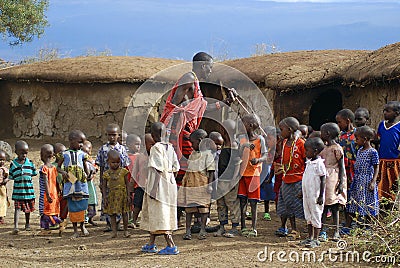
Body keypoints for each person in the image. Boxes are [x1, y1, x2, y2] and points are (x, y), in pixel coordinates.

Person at [141, 122, 180, 255]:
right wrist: (170, 180)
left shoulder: (156, 148)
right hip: (169, 183)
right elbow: (176, 168)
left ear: (153, 135)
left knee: (161, 213)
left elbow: (157, 169)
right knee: (159, 212)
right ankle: (151, 243)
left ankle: (171, 245)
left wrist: (153, 189)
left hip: (159, 185)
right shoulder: (170, 148)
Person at [178, 129, 215, 240]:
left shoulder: (208, 155)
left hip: (202, 183)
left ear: (200, 141)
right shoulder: (193, 154)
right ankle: (188, 230)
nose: (191, 145)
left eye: (192, 143)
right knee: (189, 208)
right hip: (190, 183)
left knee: (203, 208)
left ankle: (202, 229)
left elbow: (211, 170)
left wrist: (209, 185)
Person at [275, 117, 306, 240]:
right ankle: (288, 227)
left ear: (289, 130)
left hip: (298, 179)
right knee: (286, 204)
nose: (280, 132)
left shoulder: (301, 144)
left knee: (296, 205)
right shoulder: (283, 143)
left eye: (282, 129)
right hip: (286, 178)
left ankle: (297, 229)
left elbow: (306, 161)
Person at [238, 114, 267, 238]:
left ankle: (254, 228)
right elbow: (239, 155)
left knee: (253, 202)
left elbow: (265, 155)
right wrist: (243, 147)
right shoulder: (242, 139)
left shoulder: (260, 139)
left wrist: (258, 160)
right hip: (242, 173)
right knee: (242, 200)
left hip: (254, 174)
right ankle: (243, 226)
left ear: (250, 126)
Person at [96, 123, 129, 231]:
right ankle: (108, 223)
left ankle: (118, 223)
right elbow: (101, 165)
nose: (112, 137)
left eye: (114, 135)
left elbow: (125, 166)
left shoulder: (122, 149)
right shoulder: (103, 149)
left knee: (119, 200)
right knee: (108, 200)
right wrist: (101, 181)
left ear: (118, 135)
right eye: (109, 135)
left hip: (119, 180)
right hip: (108, 179)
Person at [57, 130, 90, 238]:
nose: (81, 145)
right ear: (71, 141)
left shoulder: (82, 154)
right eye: (79, 142)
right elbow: (58, 167)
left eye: (83, 143)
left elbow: (85, 166)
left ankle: (83, 226)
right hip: (70, 182)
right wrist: (64, 173)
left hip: (81, 182)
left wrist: (88, 175)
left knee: (82, 204)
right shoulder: (64, 154)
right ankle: (75, 229)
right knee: (72, 205)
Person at [347, 126, 379, 226]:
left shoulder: (372, 152)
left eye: (357, 138)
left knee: (368, 202)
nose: (355, 141)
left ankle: (369, 224)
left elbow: (376, 167)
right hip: (358, 180)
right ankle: (358, 222)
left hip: (367, 180)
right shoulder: (360, 150)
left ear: (365, 139)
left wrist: (373, 181)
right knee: (356, 200)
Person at [319, 123, 346, 241]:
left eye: (322, 132)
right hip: (324, 178)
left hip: (333, 178)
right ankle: (323, 230)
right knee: (324, 206)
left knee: (334, 206)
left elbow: (342, 167)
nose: (320, 134)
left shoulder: (337, 149)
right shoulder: (324, 148)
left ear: (327, 134)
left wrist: (341, 183)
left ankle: (336, 230)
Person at [214, 119, 241, 238]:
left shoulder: (235, 145)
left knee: (232, 203)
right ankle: (222, 226)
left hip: (230, 180)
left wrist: (234, 180)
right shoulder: (223, 143)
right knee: (221, 204)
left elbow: (237, 164)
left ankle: (235, 227)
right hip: (221, 179)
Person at [300, 137, 326, 248]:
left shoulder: (319, 164)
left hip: (315, 195)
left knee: (316, 215)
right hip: (307, 195)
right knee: (308, 215)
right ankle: (309, 237)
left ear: (315, 151)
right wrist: (302, 192)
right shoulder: (309, 162)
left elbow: (323, 179)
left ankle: (316, 239)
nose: (305, 152)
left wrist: (321, 195)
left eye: (307, 150)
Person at [9, 140, 37, 234]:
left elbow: (33, 173)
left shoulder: (30, 163)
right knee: (17, 209)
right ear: (16, 152)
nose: (24, 155)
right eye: (22, 153)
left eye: (26, 153)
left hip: (28, 191)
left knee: (27, 209)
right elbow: (11, 176)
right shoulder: (13, 164)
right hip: (18, 192)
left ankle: (27, 224)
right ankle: (16, 226)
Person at [102, 150, 131, 238]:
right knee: (112, 214)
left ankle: (126, 230)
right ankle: (114, 232)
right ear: (108, 162)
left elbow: (127, 183)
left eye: (118, 162)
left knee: (125, 213)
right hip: (112, 195)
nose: (115, 164)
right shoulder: (106, 174)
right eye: (113, 162)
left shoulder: (124, 171)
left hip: (122, 194)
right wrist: (104, 197)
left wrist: (129, 195)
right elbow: (103, 186)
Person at [129, 133, 155, 228]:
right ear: (144, 145)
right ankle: (134, 220)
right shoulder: (140, 157)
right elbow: (134, 172)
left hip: (152, 186)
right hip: (141, 185)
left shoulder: (155, 156)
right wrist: (131, 188)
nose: (153, 146)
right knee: (137, 205)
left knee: (151, 205)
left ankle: (150, 222)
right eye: (151, 144)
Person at [376, 101, 400, 204]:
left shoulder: (399, 126)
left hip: (394, 161)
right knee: (382, 183)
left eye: (388, 111)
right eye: (384, 111)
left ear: (396, 113)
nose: (385, 113)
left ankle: (393, 205)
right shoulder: (382, 125)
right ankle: (383, 204)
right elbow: (378, 140)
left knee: (393, 184)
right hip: (382, 160)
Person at [38, 144, 61, 235]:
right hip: (54, 193)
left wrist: (47, 194)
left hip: (46, 194)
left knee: (44, 213)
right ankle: (47, 229)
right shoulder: (53, 168)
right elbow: (56, 181)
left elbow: (46, 181)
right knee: (51, 211)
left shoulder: (44, 168)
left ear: (42, 155)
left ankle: (59, 222)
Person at [260, 126, 279, 221]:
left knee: (271, 190)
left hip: (272, 173)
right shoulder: (265, 148)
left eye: (270, 139)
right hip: (263, 172)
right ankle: (265, 211)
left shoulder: (277, 150)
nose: (268, 141)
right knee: (262, 192)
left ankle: (274, 211)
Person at [126, 134, 142, 227]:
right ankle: (129, 219)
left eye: (139, 144)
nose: (138, 147)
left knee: (136, 202)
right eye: (136, 144)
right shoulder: (126, 157)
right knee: (129, 201)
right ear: (128, 144)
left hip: (138, 183)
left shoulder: (140, 156)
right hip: (129, 182)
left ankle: (134, 219)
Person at [82, 140, 98, 226]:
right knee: (84, 203)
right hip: (84, 184)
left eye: (88, 152)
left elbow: (95, 169)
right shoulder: (80, 162)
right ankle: (85, 219)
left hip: (90, 185)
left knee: (92, 202)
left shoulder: (91, 161)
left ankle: (90, 218)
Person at [53, 143, 68, 231]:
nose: (63, 154)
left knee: (64, 204)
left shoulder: (66, 165)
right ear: (54, 154)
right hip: (56, 189)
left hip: (65, 189)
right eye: (60, 152)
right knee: (55, 205)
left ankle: (63, 219)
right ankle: (55, 220)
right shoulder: (53, 166)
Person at [0, 150, 9, 224]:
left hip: (2, 188)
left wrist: (5, 181)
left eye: (3, 160)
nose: (1, 162)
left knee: (2, 202)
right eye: (0, 160)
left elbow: (7, 177)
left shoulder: (4, 169)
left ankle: (1, 217)